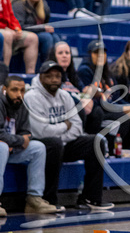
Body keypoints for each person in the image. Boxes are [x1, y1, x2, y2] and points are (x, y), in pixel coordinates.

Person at [24, 61, 114, 210]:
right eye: (49, 76)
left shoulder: (64, 96)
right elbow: (40, 131)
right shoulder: (31, 97)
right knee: (54, 144)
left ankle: (90, 198)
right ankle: (49, 200)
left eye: (57, 76)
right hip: (42, 145)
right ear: (40, 77)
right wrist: (65, 126)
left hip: (63, 143)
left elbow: (77, 126)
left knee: (96, 141)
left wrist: (63, 133)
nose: (54, 80)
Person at [0, 75, 58, 216]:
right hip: (3, 148)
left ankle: (34, 199)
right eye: (14, 90)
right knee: (1, 147)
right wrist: (19, 140)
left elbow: (26, 133)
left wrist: (17, 141)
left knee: (38, 147)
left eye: (22, 90)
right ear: (4, 90)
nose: (19, 94)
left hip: (11, 149)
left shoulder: (21, 104)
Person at [77, 41, 130, 152]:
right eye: (96, 53)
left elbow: (116, 98)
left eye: (103, 53)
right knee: (124, 117)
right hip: (97, 112)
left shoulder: (107, 73)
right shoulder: (85, 71)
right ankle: (111, 150)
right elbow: (92, 101)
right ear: (90, 55)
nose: (101, 56)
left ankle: (128, 150)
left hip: (110, 108)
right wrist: (124, 109)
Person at [47, 41, 100, 133]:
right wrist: (79, 101)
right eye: (60, 53)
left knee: (97, 111)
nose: (65, 56)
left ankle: (91, 140)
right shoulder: (50, 76)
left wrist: (89, 97)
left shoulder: (73, 75)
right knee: (78, 109)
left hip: (80, 106)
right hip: (61, 109)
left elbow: (83, 92)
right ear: (54, 56)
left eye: (67, 53)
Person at [11, 0, 60, 66]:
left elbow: (46, 22)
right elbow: (19, 26)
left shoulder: (43, 6)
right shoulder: (18, 5)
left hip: (37, 33)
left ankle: (55, 66)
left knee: (56, 37)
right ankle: (47, 65)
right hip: (22, 33)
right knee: (46, 37)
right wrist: (42, 28)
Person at [0, 0, 39, 73]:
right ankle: (4, 73)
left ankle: (30, 74)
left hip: (7, 30)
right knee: (8, 35)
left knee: (32, 38)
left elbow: (11, 16)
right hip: (4, 30)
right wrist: (7, 29)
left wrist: (17, 29)